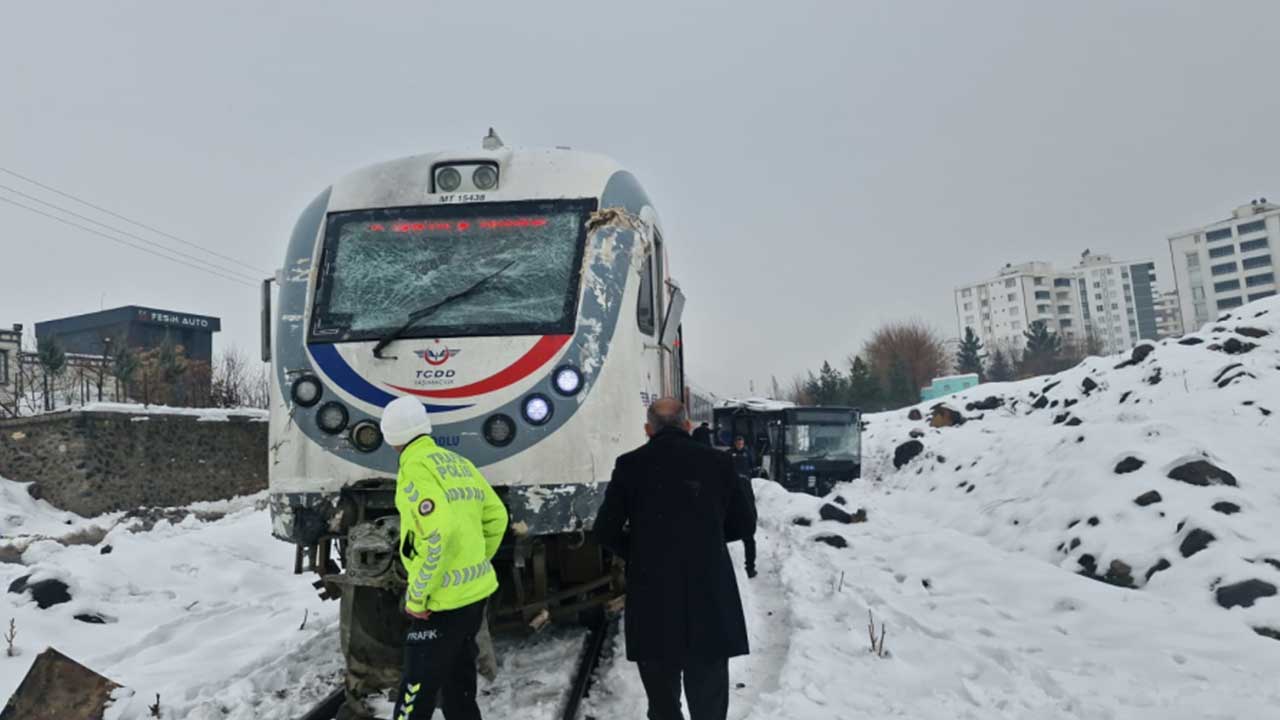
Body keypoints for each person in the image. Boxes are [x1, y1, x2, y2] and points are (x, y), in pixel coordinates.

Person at [594, 398, 755, 720]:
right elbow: (744, 524)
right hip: (709, 596)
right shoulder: (719, 462)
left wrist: (641, 551)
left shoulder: (629, 465)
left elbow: (604, 530)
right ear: (688, 425)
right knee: (709, 705)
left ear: (648, 429)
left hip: (653, 599)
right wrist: (706, 540)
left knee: (663, 705)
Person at [380, 396, 509, 720]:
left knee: (415, 691)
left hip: (441, 602)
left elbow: (438, 532)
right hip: (473, 596)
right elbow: (497, 517)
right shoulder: (458, 463)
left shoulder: (414, 469)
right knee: (458, 683)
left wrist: (418, 596)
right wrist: (476, 561)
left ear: (391, 437)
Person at [727, 436, 759, 579]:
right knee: (748, 539)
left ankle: (750, 567)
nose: (740, 445)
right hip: (736, 500)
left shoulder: (747, 454)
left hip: (743, 504)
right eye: (738, 443)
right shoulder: (729, 454)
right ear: (735, 443)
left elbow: (752, 466)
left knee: (749, 539)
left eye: (741, 443)